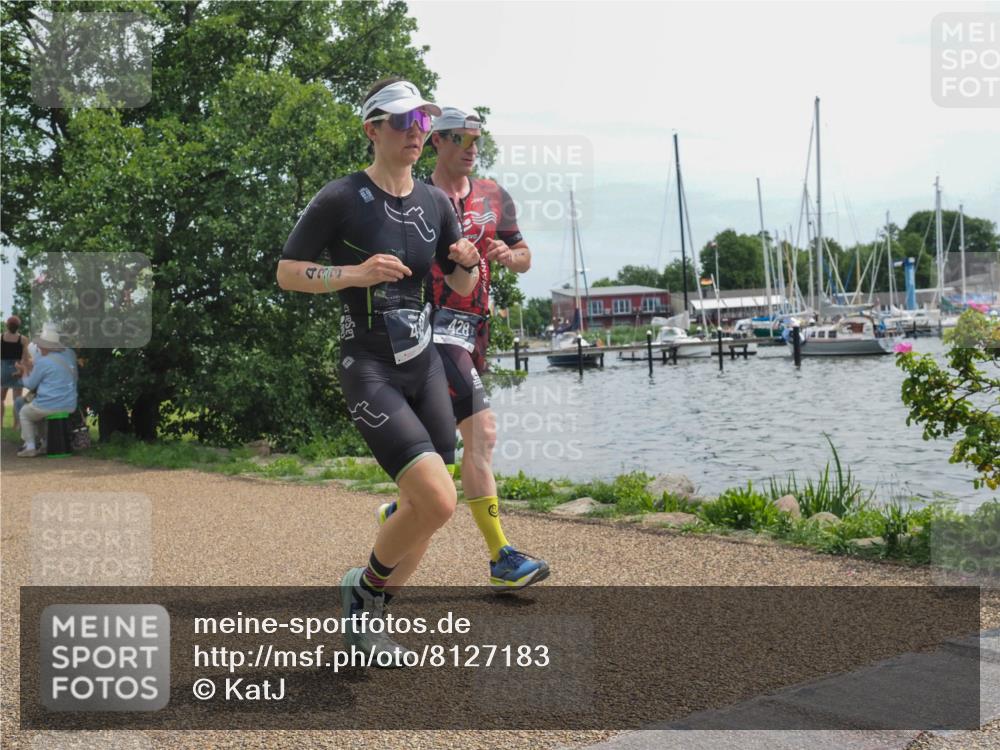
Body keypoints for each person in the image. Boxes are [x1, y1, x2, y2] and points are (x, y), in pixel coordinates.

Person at [277, 78, 481, 664]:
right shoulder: (340, 198)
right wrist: (351, 274)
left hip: (423, 365)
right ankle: (362, 594)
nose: (417, 133)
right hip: (368, 366)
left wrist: (468, 265)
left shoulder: (436, 204)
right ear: (372, 129)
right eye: (403, 123)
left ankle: (373, 620)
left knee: (424, 508)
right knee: (439, 503)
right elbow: (288, 272)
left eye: (422, 123)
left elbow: (460, 283)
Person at [377, 107, 550, 591]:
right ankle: (501, 557)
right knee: (482, 432)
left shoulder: (494, 195)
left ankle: (404, 508)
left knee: (451, 443)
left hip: (475, 327)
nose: (472, 148)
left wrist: (505, 256)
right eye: (461, 139)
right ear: (437, 142)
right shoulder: (418, 196)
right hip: (431, 329)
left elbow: (523, 256)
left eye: (477, 139)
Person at [14, 325, 78, 457]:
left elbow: (30, 384)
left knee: (25, 413)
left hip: (51, 404)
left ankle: (30, 447)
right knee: (38, 413)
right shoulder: (67, 357)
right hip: (70, 403)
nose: (38, 348)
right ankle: (45, 444)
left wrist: (24, 371)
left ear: (45, 347)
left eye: (40, 345)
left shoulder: (43, 361)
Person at [2, 315, 30, 429]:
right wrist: (23, 370)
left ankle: (0, 424)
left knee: (1, 398)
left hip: (3, 368)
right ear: (18, 327)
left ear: (7, 325)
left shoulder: (1, 337)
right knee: (17, 399)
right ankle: (15, 425)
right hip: (17, 367)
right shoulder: (23, 339)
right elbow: (26, 357)